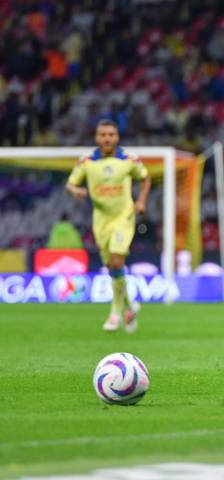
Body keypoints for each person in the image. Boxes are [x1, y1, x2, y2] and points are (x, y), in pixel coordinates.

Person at [66, 119, 150, 333]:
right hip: (101, 220)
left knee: (116, 258)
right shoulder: (86, 162)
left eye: (111, 134)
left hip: (124, 217)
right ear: (96, 138)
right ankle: (130, 306)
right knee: (113, 267)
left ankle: (114, 313)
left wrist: (140, 201)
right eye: (103, 134)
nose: (107, 138)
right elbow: (71, 182)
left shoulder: (129, 160)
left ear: (117, 137)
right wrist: (75, 191)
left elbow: (146, 177)